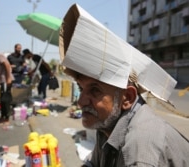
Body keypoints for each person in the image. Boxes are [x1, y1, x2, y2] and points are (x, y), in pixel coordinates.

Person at [59, 4, 189, 167]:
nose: (81, 101)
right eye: (81, 89)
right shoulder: (107, 123)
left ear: (127, 98)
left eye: (95, 90)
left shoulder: (140, 152)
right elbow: (94, 163)